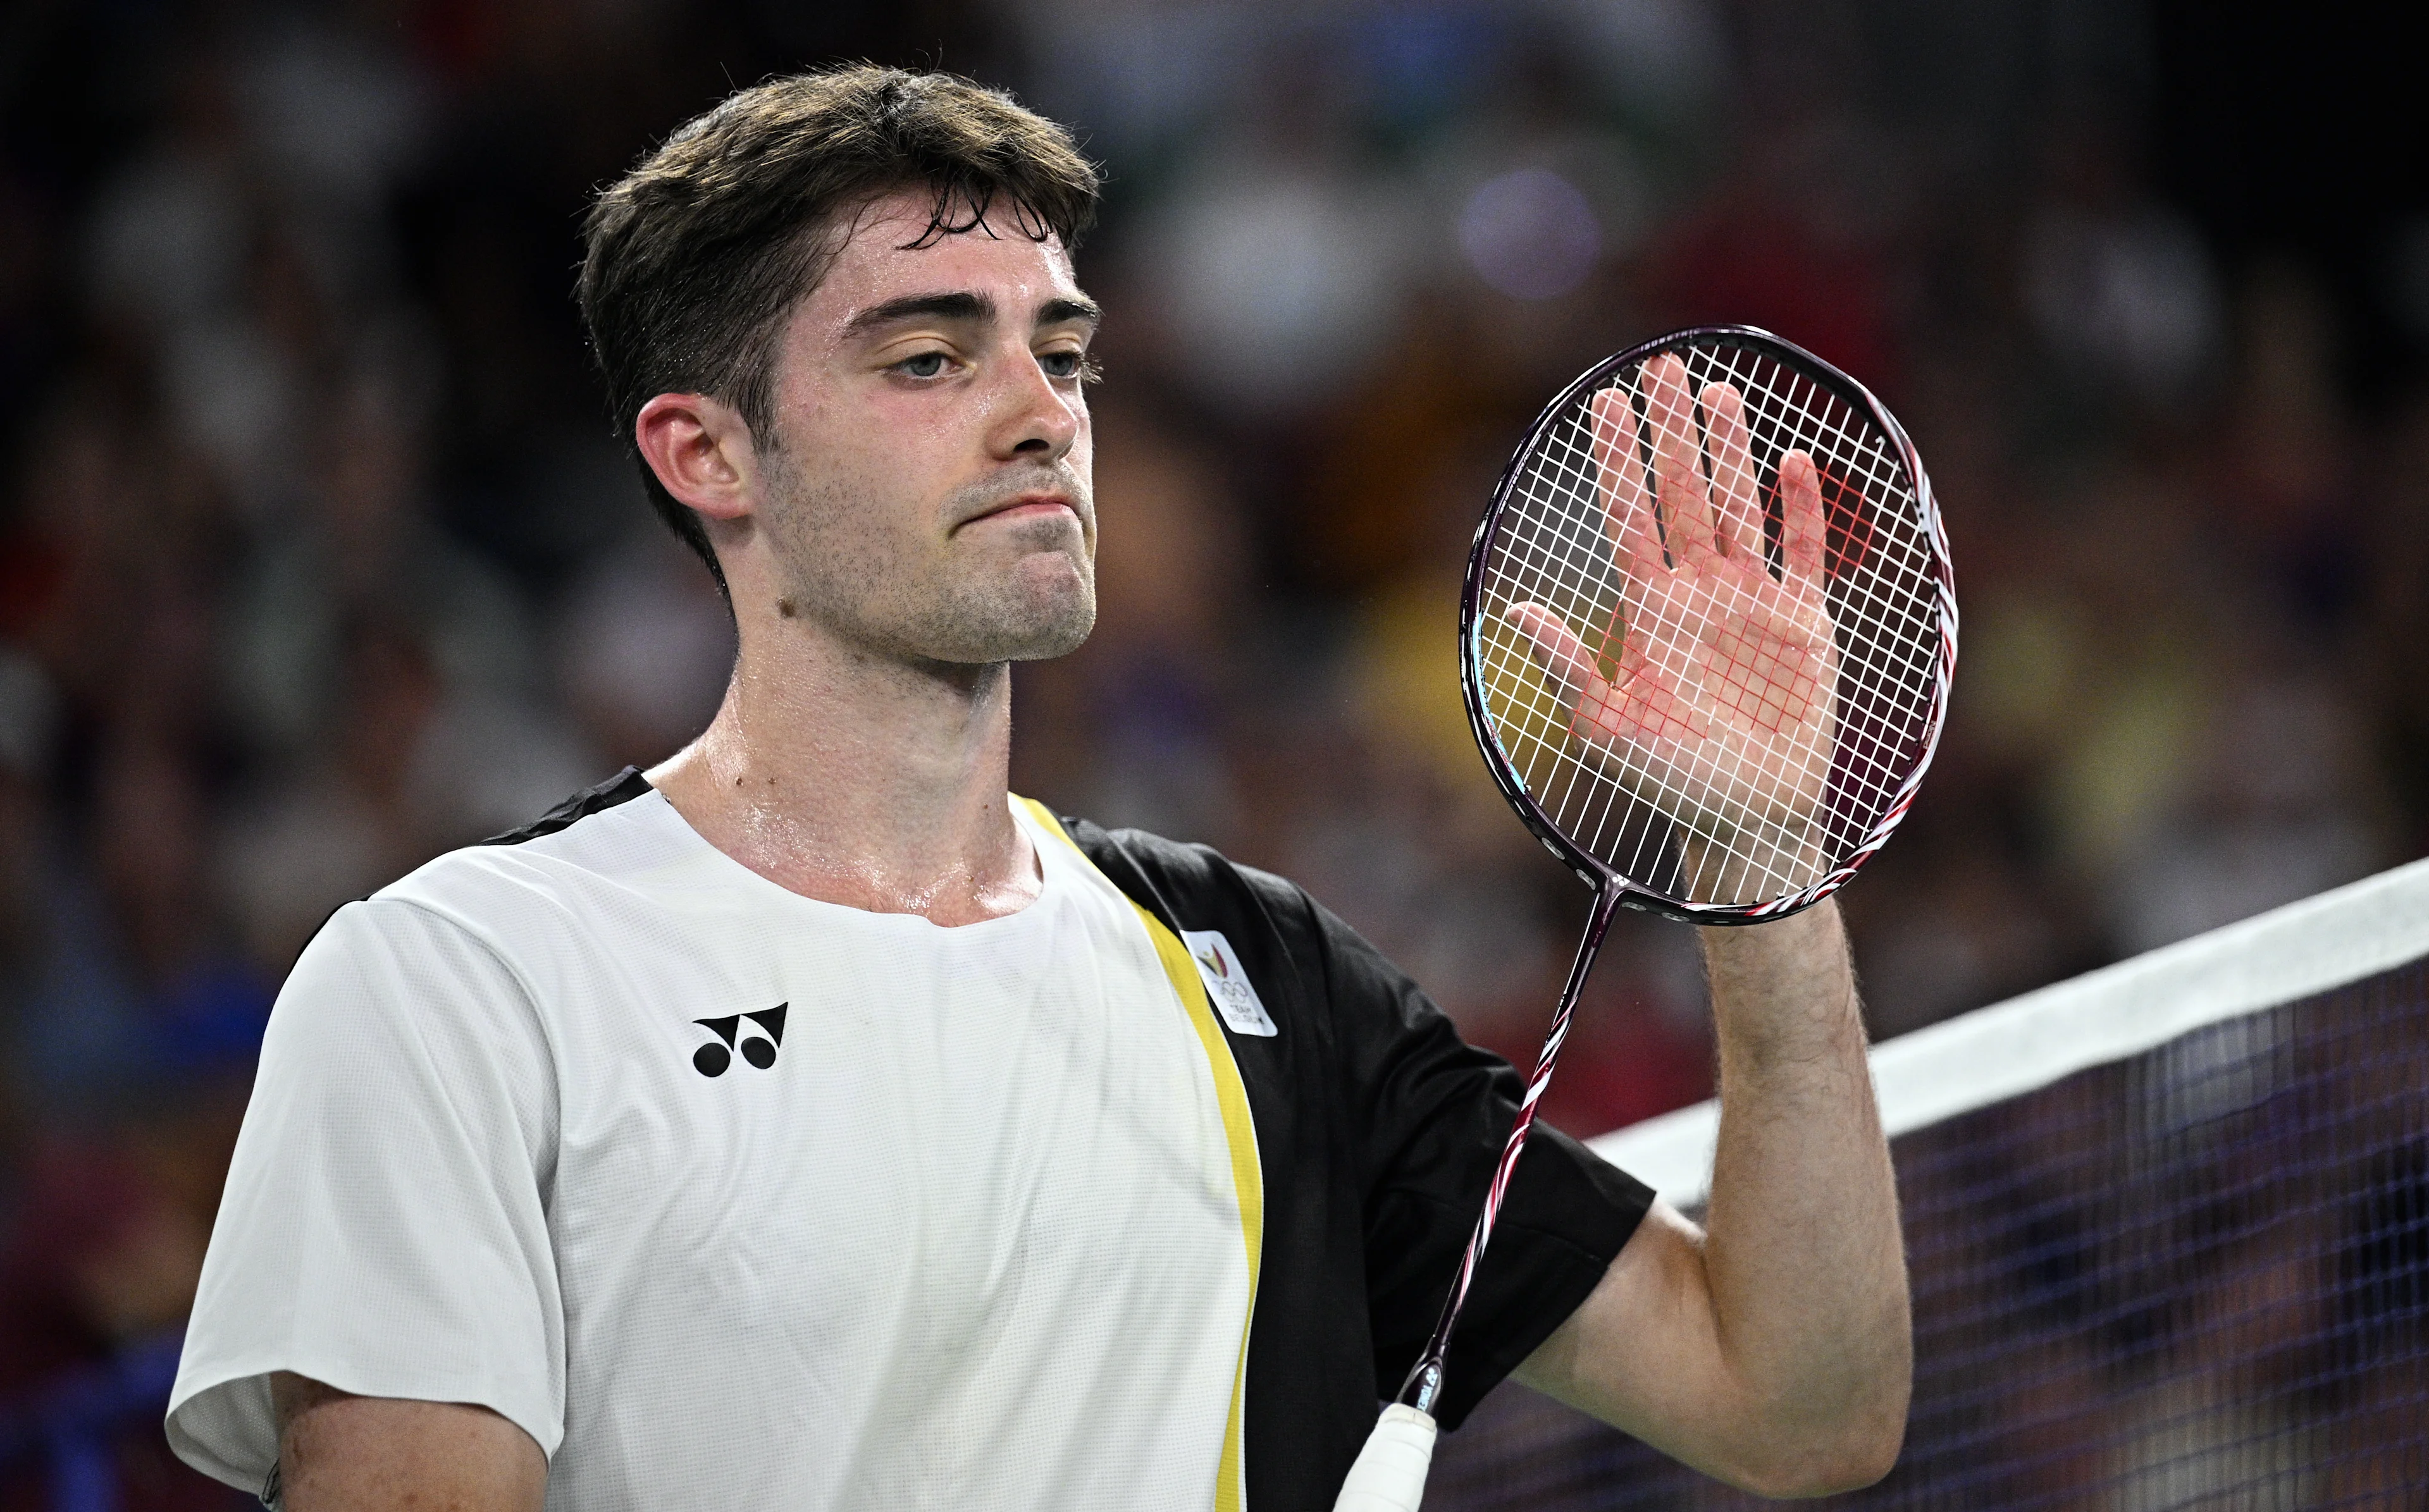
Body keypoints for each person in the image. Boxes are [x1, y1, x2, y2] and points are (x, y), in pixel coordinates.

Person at [165, 66, 1909, 1511]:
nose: (1039, 414)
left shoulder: (1269, 980)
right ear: (707, 454)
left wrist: (1765, 858)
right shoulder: (467, 983)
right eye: (930, 358)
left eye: (1060, 354)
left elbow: (1799, 1399)